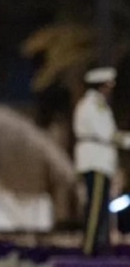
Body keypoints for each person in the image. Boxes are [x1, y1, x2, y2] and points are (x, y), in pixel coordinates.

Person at [73, 66, 130, 256]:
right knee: (95, 207)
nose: (110, 89)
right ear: (101, 85)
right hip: (95, 162)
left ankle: (97, 245)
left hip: (98, 162)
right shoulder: (93, 105)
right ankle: (90, 247)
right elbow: (108, 134)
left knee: (99, 206)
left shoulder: (96, 104)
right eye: (108, 85)